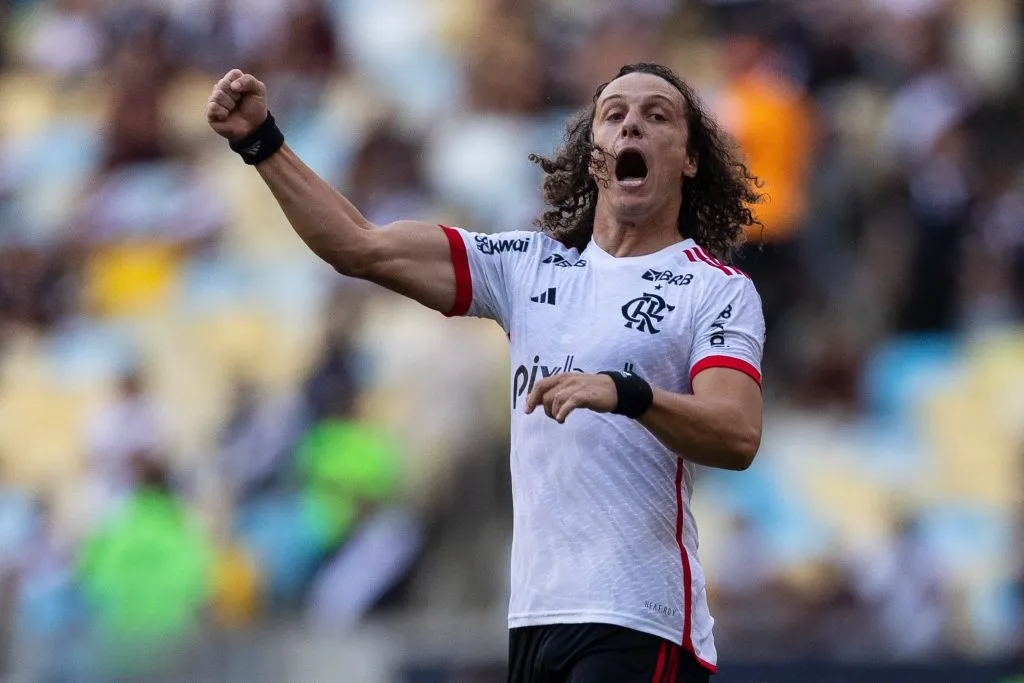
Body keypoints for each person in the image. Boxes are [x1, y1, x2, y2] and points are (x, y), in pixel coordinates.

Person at [206, 61, 765, 683]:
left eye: (657, 115)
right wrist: (260, 143)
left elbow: (736, 435)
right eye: (615, 114)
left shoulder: (715, 290)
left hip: (640, 617)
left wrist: (626, 394)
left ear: (689, 159)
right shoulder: (524, 269)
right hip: (533, 617)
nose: (632, 122)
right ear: (594, 156)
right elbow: (356, 245)